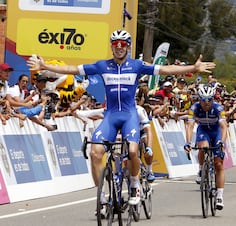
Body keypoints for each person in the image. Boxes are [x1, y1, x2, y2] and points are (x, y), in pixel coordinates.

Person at [27, 29, 216, 207]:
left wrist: (193, 67)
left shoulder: (137, 65)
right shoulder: (102, 65)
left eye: (123, 43)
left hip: (129, 115)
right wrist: (45, 66)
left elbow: (167, 70)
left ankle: (134, 186)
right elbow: (73, 69)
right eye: (115, 43)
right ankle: (101, 197)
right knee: (95, 153)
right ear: (111, 46)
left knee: (133, 151)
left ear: (128, 46)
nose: (119, 46)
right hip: (110, 115)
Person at [183, 84, 227, 210]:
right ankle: (202, 168)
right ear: (199, 99)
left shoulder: (218, 108)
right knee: (203, 147)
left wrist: (222, 142)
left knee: (219, 164)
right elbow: (190, 126)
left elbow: (224, 127)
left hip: (216, 131)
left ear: (213, 99)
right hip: (204, 130)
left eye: (209, 100)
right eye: (203, 100)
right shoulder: (194, 108)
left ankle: (219, 195)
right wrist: (188, 142)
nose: (207, 103)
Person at [136, 102, 155, 182]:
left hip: (141, 131)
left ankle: (149, 170)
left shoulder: (139, 110)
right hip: (128, 133)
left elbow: (148, 131)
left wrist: (149, 147)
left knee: (146, 141)